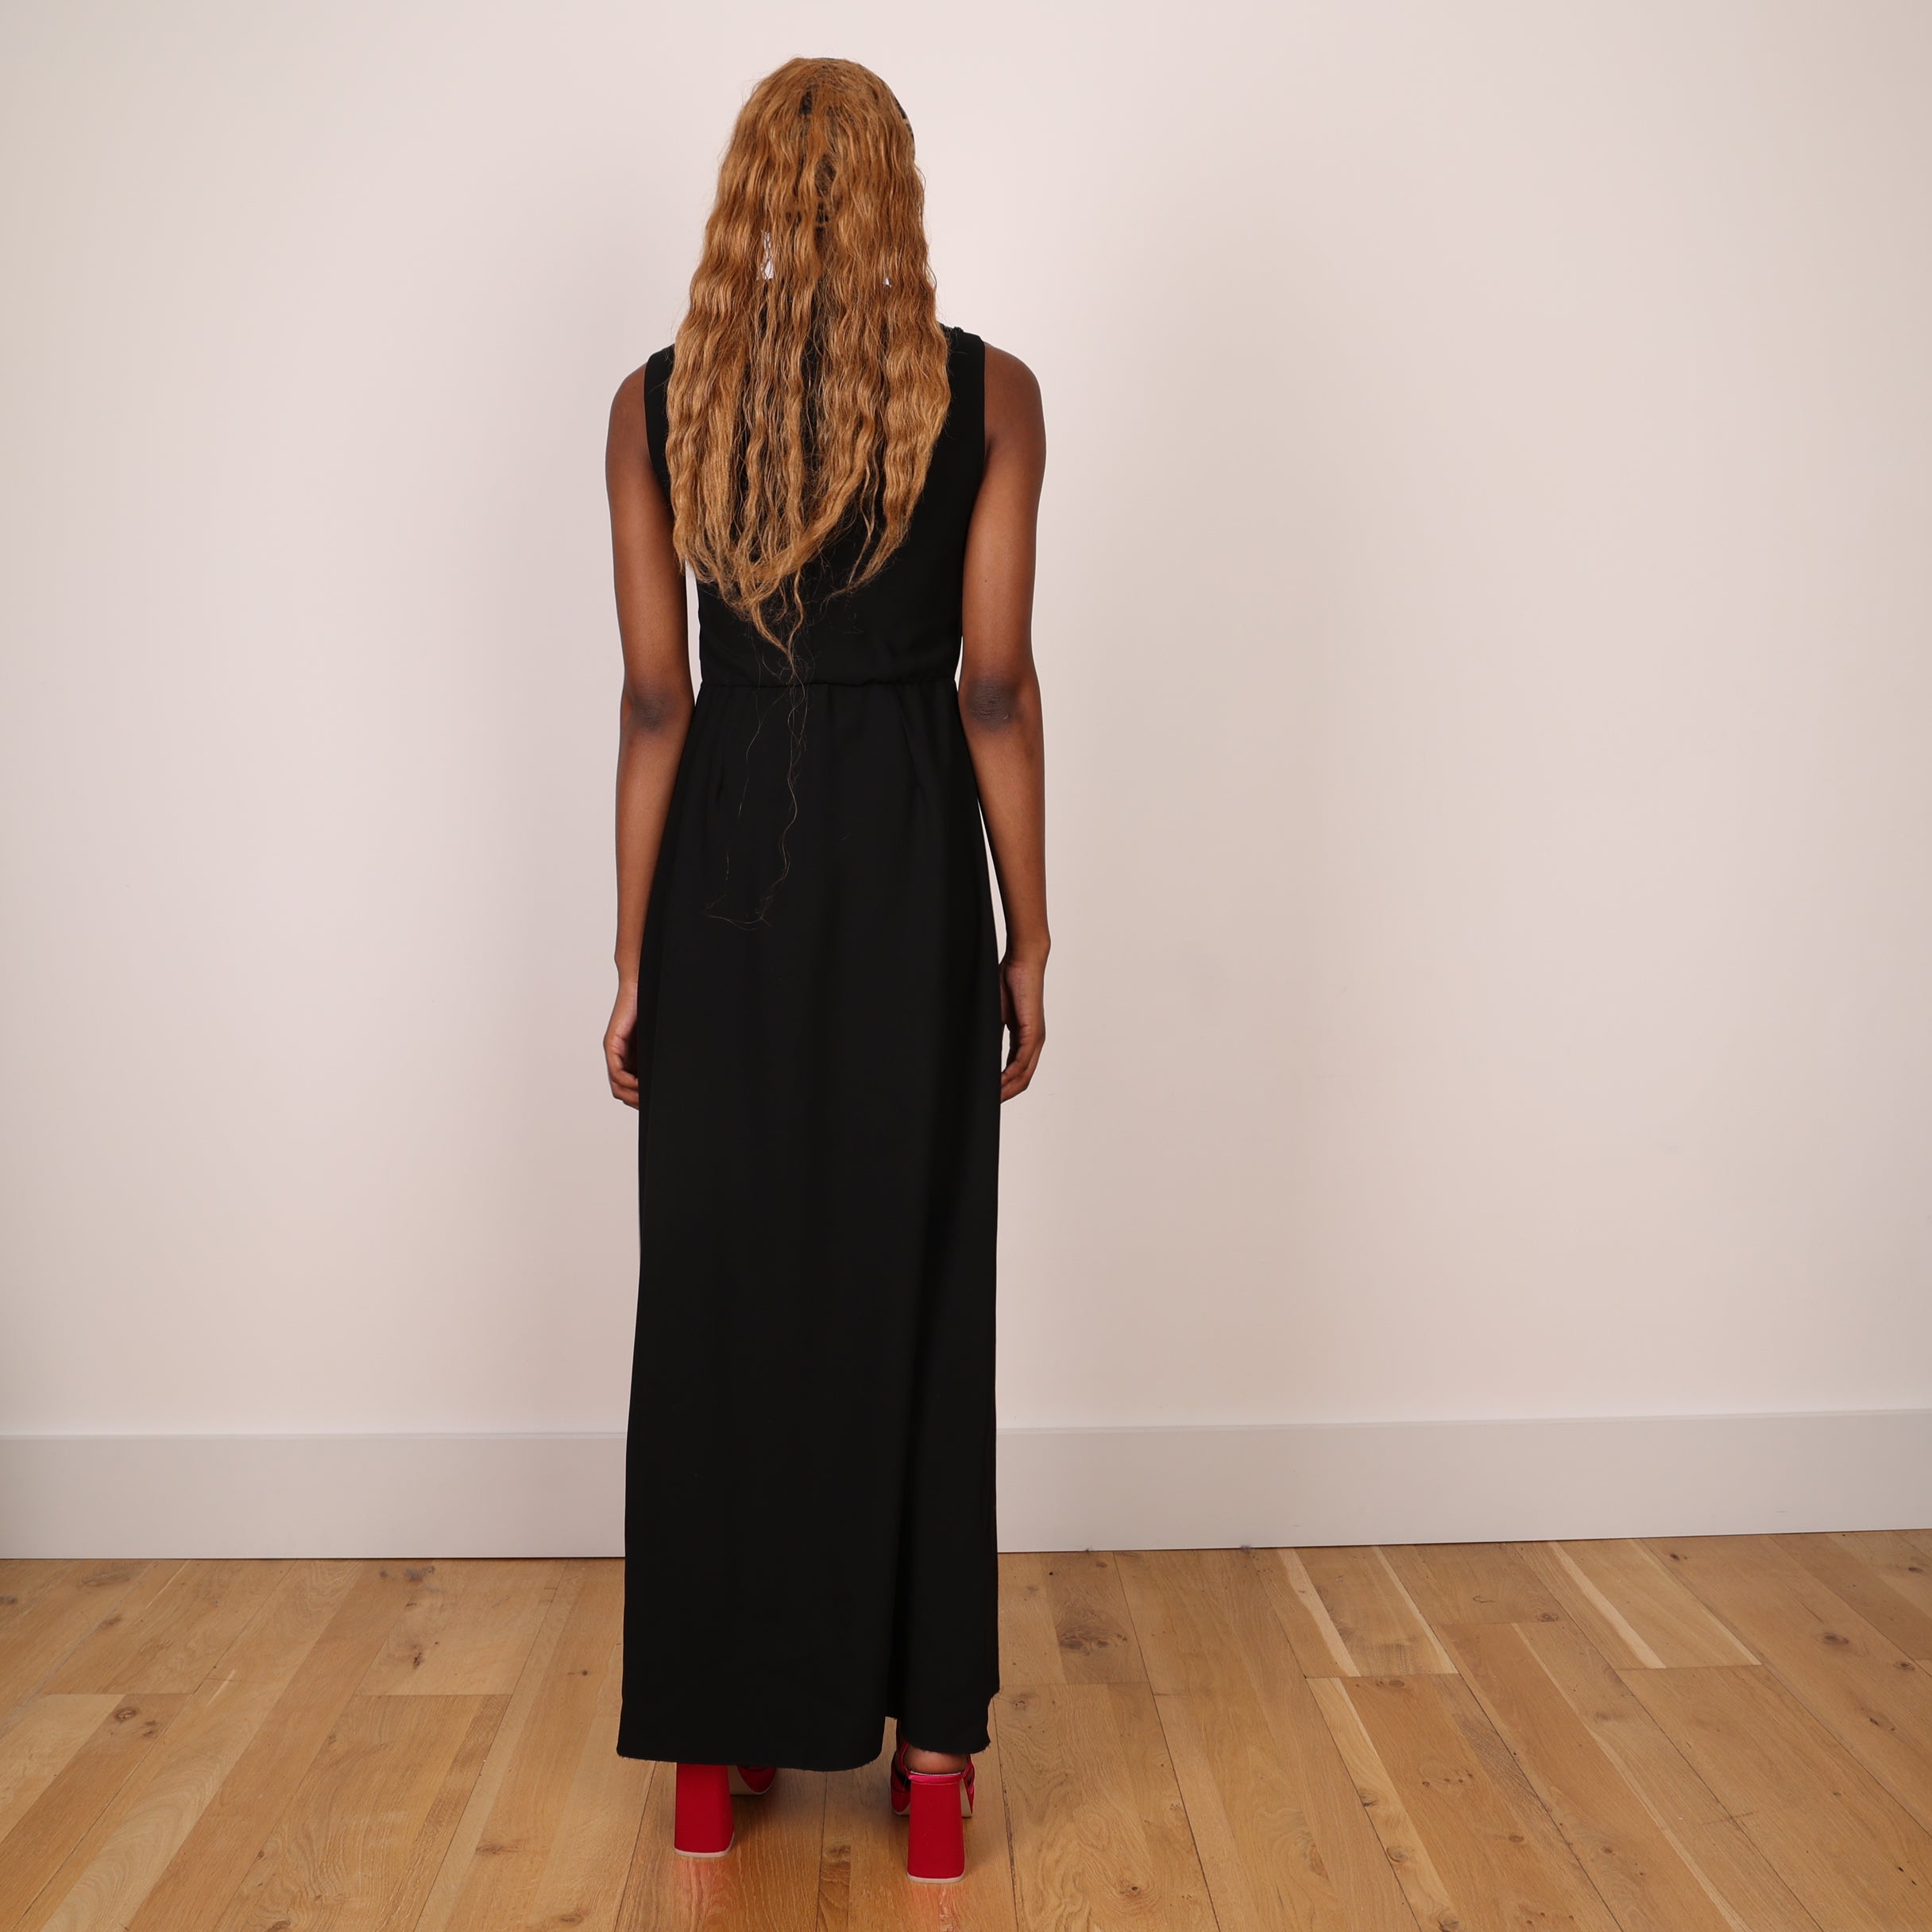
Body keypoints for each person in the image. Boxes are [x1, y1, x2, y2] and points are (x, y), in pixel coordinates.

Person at [599, 57, 1049, 1884]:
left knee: (723, 1293)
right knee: (918, 1281)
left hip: (720, 870)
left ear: (743, 202)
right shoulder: (988, 396)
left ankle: (718, 1743)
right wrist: (1030, 929)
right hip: (909, 865)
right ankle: (931, 1759)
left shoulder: (659, 402)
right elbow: (993, 685)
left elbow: (655, 699)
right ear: (895, 192)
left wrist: (631, 957)